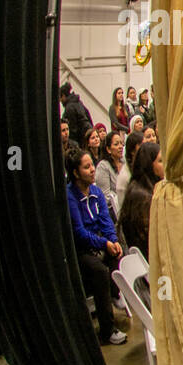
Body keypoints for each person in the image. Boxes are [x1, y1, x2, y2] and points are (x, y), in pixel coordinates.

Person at [66, 148, 126, 345]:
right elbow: (79, 232)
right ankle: (107, 331)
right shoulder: (70, 197)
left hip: (101, 241)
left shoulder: (96, 192)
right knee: (99, 271)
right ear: (76, 173)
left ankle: (115, 293)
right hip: (82, 249)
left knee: (119, 253)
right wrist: (104, 243)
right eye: (87, 167)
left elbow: (106, 220)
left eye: (92, 165)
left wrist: (112, 240)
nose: (92, 170)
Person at [118, 141, 162, 258]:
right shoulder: (142, 198)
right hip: (149, 260)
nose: (165, 165)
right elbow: (153, 238)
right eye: (161, 161)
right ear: (149, 165)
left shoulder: (143, 187)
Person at [95, 130, 124, 218]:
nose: (120, 147)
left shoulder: (124, 162)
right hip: (113, 211)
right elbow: (105, 196)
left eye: (121, 143)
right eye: (116, 144)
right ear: (108, 149)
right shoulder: (103, 166)